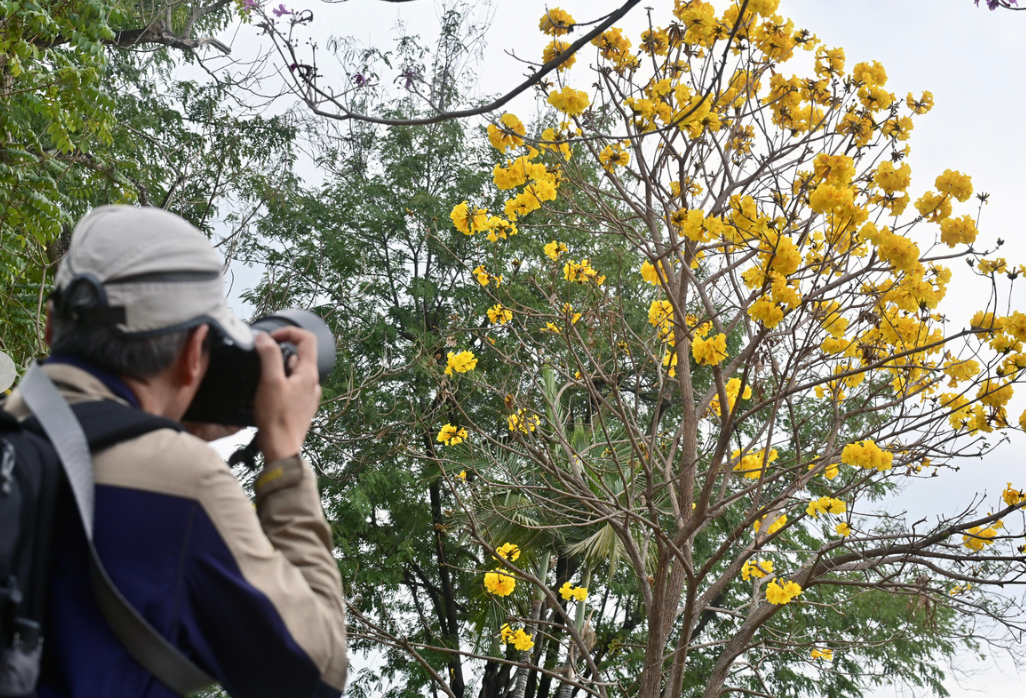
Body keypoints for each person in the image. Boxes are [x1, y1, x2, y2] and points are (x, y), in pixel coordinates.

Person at [2, 206, 348, 697]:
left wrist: (154, 426)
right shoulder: (184, 483)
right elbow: (315, 672)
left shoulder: (13, 436)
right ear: (193, 355)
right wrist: (284, 457)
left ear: (52, 327)